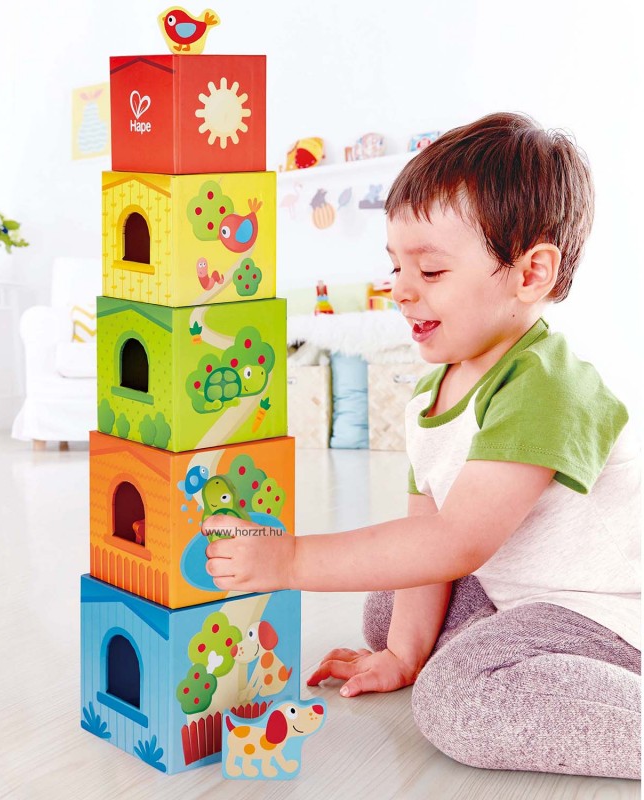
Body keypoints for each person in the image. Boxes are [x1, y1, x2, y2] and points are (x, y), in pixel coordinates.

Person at [203, 112, 641, 779]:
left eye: (431, 271)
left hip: (606, 615)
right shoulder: (434, 391)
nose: (400, 289)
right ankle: (478, 659)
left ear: (530, 275)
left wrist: (291, 559)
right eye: (395, 265)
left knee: (455, 699)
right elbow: (427, 531)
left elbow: (453, 542)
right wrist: (404, 655)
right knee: (389, 611)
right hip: (523, 591)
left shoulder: (547, 384)